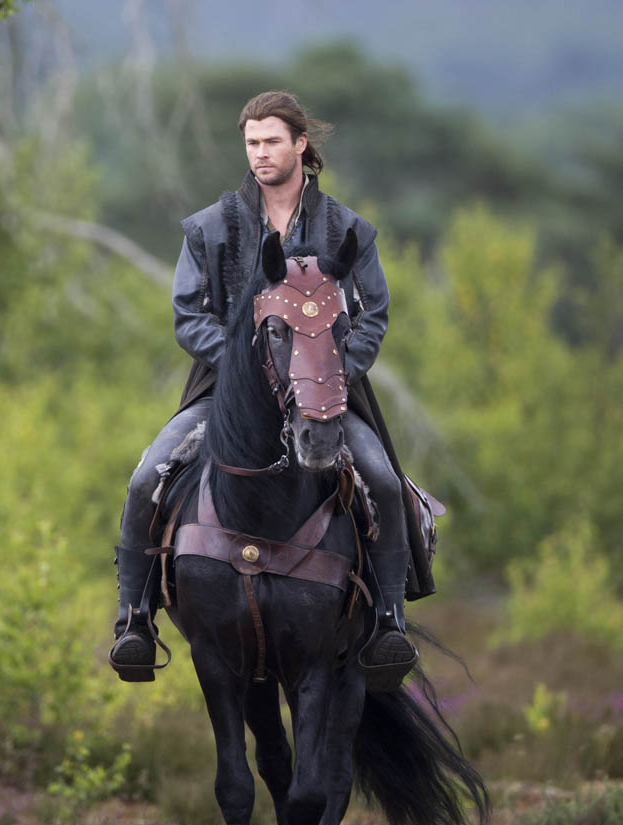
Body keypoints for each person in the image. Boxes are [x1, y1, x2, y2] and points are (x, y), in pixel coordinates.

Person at [110, 91, 432, 685]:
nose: (260, 154)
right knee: (144, 478)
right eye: (252, 143)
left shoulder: (347, 230)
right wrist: (246, 370)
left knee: (384, 481)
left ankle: (389, 620)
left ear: (300, 145)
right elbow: (189, 317)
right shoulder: (209, 228)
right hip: (224, 396)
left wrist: (328, 371)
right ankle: (135, 619)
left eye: (272, 141)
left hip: (325, 394)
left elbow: (373, 317)